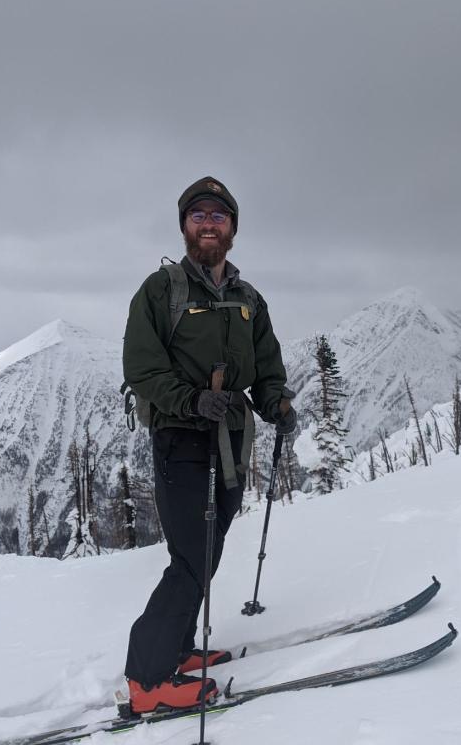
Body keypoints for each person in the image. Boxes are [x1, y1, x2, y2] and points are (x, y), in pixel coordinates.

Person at [121, 176, 297, 714]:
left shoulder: (248, 299)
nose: (208, 222)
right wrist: (192, 401)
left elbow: (266, 367)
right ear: (184, 227)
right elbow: (142, 369)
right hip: (181, 438)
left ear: (233, 230)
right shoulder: (160, 291)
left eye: (218, 215)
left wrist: (279, 406)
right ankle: (147, 681)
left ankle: (176, 648)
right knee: (189, 558)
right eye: (198, 214)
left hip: (231, 440)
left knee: (209, 549)